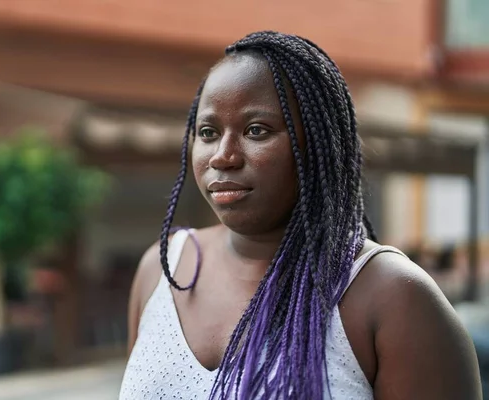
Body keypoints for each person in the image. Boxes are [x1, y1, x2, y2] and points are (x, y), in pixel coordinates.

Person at [119, 31, 482, 399]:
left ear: (319, 144)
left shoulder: (395, 299)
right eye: (208, 132)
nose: (223, 156)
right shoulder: (161, 271)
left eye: (256, 130)